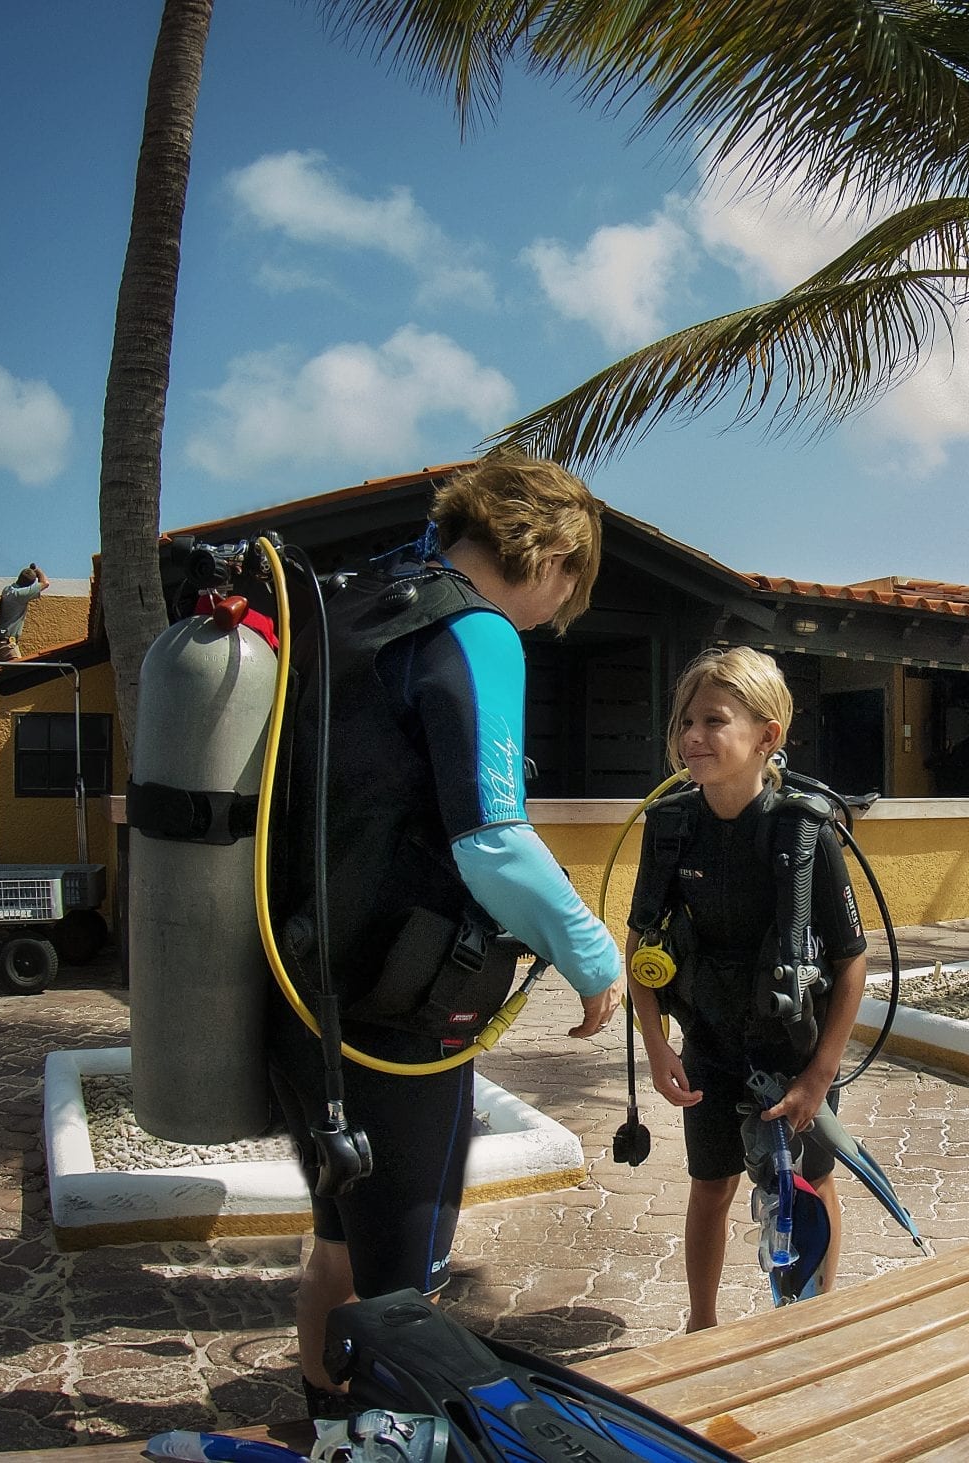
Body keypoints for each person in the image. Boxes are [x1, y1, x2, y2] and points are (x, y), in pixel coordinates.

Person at [265, 456, 624, 1415]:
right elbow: (495, 842)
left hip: (301, 987)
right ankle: (381, 1433)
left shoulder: (350, 609)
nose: (552, 618)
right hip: (397, 1008)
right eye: (566, 592)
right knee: (402, 1280)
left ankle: (324, 1425)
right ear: (550, 554)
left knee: (339, 1240)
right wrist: (596, 959)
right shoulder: (474, 628)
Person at [626, 648, 869, 1330]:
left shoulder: (804, 832)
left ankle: (811, 1317)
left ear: (767, 737)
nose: (692, 736)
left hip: (794, 1046)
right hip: (708, 1041)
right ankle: (701, 1326)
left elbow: (852, 962)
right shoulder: (671, 827)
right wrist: (657, 1046)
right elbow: (639, 944)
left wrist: (820, 1076)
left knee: (812, 1180)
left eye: (713, 720)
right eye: (685, 721)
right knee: (710, 1186)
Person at [0, 563, 48, 661]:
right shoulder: (20, 594)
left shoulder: (7, 590)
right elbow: (45, 583)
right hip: (8, 645)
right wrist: (37, 570)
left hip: (2, 641)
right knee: (18, 672)